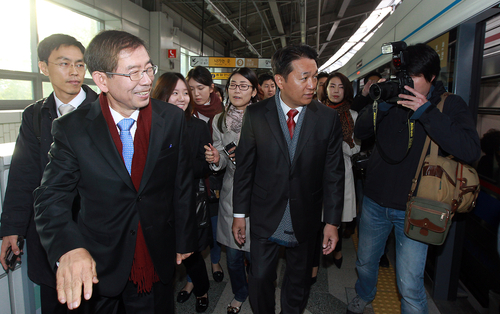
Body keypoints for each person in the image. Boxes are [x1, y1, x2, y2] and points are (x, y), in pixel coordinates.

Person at [33, 30, 197, 313]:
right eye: (133, 73)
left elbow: (181, 183)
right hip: (98, 260)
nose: (147, 81)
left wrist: (184, 237)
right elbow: (51, 197)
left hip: (155, 252)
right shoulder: (73, 129)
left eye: (148, 69)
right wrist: (68, 248)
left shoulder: (170, 118)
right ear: (101, 80)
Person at [347, 43, 481, 314]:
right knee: (365, 263)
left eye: (413, 78)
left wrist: (426, 113)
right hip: (375, 201)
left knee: (409, 283)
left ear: (432, 78)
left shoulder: (448, 105)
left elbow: (470, 149)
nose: (405, 84)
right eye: (402, 76)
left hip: (417, 207)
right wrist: (381, 106)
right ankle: (364, 294)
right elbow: (359, 131)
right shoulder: (390, 98)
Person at [231, 45, 345, 314]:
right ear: (280, 80)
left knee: (299, 280)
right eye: (304, 77)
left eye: (315, 77)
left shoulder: (327, 118)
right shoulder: (257, 114)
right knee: (259, 278)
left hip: (305, 214)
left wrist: (332, 221)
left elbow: (334, 173)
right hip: (264, 212)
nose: (312, 85)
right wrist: (239, 214)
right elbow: (245, 168)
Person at [0, 34, 98, 314]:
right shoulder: (35, 115)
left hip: (96, 228)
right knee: (55, 300)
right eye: (64, 63)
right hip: (50, 232)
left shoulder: (102, 109)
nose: (74, 72)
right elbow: (23, 175)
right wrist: (12, 228)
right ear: (44, 67)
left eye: (80, 64)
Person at [151, 72, 212, 313]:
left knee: (191, 251)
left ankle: (202, 288)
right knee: (164, 252)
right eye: (175, 93)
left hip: (188, 200)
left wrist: (177, 165)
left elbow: (204, 165)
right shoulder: (150, 125)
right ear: (161, 95)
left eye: (185, 93)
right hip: (157, 203)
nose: (182, 98)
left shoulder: (197, 126)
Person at [204, 67, 259, 314]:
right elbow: (223, 159)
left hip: (260, 193)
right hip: (232, 193)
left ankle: (259, 291)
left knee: (258, 253)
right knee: (234, 256)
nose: (237, 90)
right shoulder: (219, 120)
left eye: (244, 85)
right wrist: (216, 158)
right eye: (233, 85)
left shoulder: (264, 117)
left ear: (254, 91)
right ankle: (240, 292)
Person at [187, 66, 225, 282]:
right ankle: (193, 277)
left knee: (214, 224)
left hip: (216, 180)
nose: (195, 94)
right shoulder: (186, 112)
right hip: (193, 181)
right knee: (193, 228)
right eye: (191, 88)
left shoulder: (223, 116)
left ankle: (215, 261)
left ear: (211, 88)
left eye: (200, 88)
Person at [322, 72, 360, 268]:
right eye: (332, 86)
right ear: (326, 89)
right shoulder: (317, 112)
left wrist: (338, 140)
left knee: (336, 215)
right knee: (319, 215)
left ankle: (336, 249)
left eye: (341, 87)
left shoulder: (353, 116)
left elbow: (355, 148)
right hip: (318, 171)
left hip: (341, 170)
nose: (336, 91)